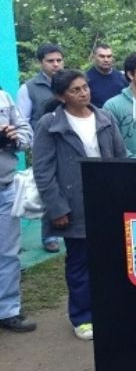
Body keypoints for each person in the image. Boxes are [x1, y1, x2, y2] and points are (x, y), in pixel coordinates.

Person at [32, 70, 127, 340]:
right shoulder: (50, 124)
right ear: (61, 96)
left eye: (85, 87)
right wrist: (57, 208)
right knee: (80, 262)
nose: (84, 93)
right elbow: (43, 171)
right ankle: (82, 317)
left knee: (111, 259)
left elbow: (120, 156)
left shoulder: (104, 117)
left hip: (107, 200)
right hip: (74, 204)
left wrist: (124, 192)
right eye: (75, 90)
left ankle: (109, 309)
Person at [17, 43, 65, 254]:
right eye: (50, 61)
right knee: (48, 189)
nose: (56, 65)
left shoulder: (69, 82)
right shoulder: (29, 88)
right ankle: (49, 236)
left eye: (59, 60)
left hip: (68, 146)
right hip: (44, 148)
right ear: (40, 63)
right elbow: (22, 119)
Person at [0, 90, 35, 333]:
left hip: (5, 186)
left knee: (8, 253)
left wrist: (12, 139)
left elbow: (26, 132)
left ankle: (8, 310)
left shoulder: (3, 98)